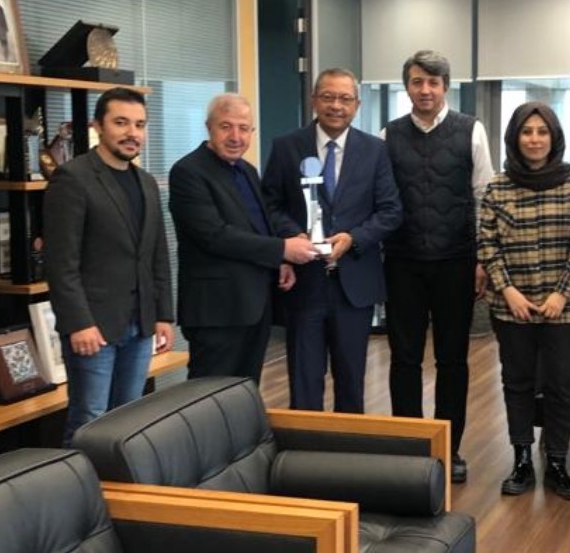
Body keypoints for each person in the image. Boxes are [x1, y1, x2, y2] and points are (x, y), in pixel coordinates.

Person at [262, 68, 402, 413]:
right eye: (327, 97)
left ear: (356, 105)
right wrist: (293, 235)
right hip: (304, 283)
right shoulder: (286, 147)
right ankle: (303, 446)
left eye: (344, 98)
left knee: (351, 381)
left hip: (353, 284)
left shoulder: (374, 150)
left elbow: (390, 210)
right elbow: (270, 205)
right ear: (314, 100)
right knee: (304, 381)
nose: (336, 106)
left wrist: (354, 238)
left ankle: (348, 447)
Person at [383, 49, 494, 483]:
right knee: (404, 359)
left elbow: (485, 197)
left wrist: (483, 258)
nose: (425, 90)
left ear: (445, 86)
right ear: (407, 87)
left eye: (433, 82)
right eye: (417, 82)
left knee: (452, 360)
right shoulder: (388, 134)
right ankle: (408, 445)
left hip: (456, 263)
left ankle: (450, 448)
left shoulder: (471, 130)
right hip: (402, 263)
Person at [43, 87, 175, 446]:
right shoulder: (73, 178)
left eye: (139, 125)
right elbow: (61, 263)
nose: (132, 133)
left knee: (128, 419)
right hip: (94, 327)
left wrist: (163, 314)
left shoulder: (146, 182)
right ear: (98, 126)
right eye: (121, 123)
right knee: (89, 420)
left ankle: (117, 484)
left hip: (140, 323)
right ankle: (79, 483)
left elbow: (157, 255)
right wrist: (78, 323)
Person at [478, 102, 570, 501]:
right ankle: (522, 459)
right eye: (527, 131)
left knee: (563, 385)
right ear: (515, 137)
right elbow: (487, 244)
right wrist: (508, 290)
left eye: (542, 131)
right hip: (512, 309)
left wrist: (561, 292)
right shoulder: (498, 186)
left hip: (564, 308)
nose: (534, 139)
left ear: (553, 137)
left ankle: (558, 461)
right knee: (518, 383)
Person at [169, 94, 316, 386]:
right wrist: (282, 249)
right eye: (226, 126)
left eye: (243, 128)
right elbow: (214, 235)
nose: (235, 136)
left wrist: (280, 259)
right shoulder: (188, 172)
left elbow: (258, 225)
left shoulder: (247, 170)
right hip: (216, 311)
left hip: (254, 306)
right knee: (209, 398)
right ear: (209, 127)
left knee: (245, 392)